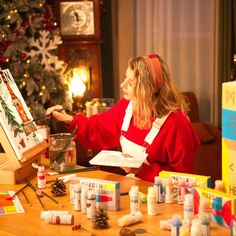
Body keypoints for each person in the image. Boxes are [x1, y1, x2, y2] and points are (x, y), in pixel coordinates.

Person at [46, 54, 200, 182]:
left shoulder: (176, 123)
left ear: (151, 88)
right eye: (125, 78)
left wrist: (143, 169)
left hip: (163, 199)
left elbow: (183, 178)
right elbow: (99, 128)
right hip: (135, 189)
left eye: (131, 82)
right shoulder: (127, 107)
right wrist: (70, 120)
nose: (122, 85)